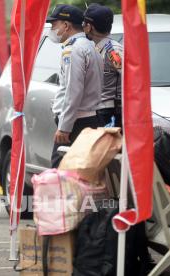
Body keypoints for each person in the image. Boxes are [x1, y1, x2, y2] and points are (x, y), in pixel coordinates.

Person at [46, 5, 103, 168]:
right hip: (87, 118)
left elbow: (73, 91)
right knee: (79, 172)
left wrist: (64, 127)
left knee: (60, 170)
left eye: (54, 25)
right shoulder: (90, 45)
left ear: (66, 25)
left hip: (77, 121)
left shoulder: (73, 50)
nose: (52, 29)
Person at [83, 4, 123, 128]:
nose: (82, 26)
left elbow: (132, 78)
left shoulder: (113, 51)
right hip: (96, 110)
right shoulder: (92, 47)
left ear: (89, 27)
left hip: (109, 113)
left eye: (84, 23)